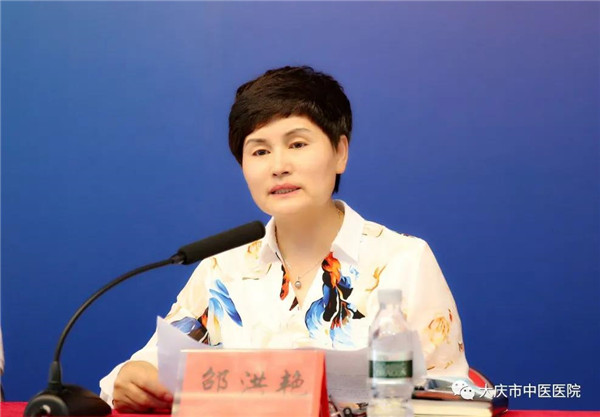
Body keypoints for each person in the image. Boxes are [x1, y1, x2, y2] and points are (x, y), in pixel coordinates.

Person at [99, 66, 469, 414]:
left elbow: (454, 396)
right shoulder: (223, 268)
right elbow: (150, 365)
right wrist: (132, 377)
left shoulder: (402, 261)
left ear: (340, 152)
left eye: (297, 144)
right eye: (260, 151)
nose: (278, 166)